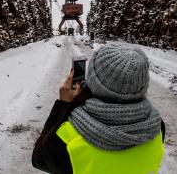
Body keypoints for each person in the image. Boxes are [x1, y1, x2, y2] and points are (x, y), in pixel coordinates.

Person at [32, 43, 165, 174]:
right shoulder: (157, 126)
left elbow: (38, 159)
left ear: (92, 81)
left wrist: (62, 105)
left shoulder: (67, 137)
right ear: (141, 84)